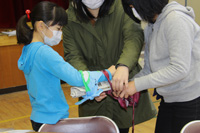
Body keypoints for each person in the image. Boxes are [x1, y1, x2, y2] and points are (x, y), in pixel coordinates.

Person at [16, 1, 116, 131]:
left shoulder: (28, 50)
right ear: (41, 26)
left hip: (39, 118)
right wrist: (107, 73)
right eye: (58, 29)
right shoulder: (44, 53)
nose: (60, 34)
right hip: (53, 120)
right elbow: (76, 78)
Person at [63, 0, 157, 132]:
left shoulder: (123, 7)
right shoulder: (69, 18)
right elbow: (73, 56)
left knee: (122, 127)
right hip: (93, 94)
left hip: (122, 87)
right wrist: (89, 82)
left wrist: (124, 66)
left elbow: (134, 38)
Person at [120, 0, 200, 132]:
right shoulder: (151, 26)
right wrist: (128, 84)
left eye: (133, 6)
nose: (133, 10)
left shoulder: (175, 19)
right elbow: (149, 69)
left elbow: (179, 69)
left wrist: (136, 85)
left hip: (190, 100)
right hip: (169, 99)